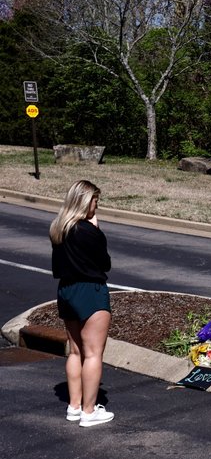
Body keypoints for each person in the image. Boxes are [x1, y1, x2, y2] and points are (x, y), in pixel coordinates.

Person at [50, 180, 114, 427]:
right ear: (87, 201)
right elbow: (105, 263)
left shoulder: (59, 229)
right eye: (96, 201)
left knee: (75, 351)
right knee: (94, 353)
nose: (97, 207)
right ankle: (89, 411)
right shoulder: (87, 231)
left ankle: (74, 406)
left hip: (66, 290)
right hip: (90, 290)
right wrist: (97, 230)